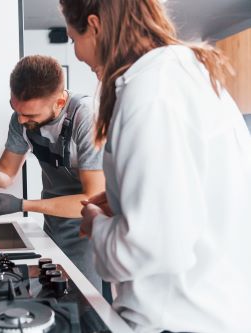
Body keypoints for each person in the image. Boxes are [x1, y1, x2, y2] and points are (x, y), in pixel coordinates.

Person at [59, 0, 251, 332]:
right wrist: (125, 200)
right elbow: (191, 196)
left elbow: (152, 249)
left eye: (73, 39)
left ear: (95, 25)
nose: (77, 54)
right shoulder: (183, 75)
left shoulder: (151, 94)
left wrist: (97, 222)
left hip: (176, 322)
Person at [0, 55, 106, 292]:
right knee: (55, 300)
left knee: (86, 308)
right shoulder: (20, 119)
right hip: (54, 225)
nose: (21, 120)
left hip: (91, 229)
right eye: (15, 108)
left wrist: (21, 205)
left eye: (30, 116)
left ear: (59, 102)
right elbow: (6, 174)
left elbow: (91, 200)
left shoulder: (86, 118)